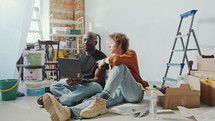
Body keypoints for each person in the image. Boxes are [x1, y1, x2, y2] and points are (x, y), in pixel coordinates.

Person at [42, 33, 149, 121]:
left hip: (134, 93)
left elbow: (117, 60)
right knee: (96, 100)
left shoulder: (131, 54)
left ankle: (99, 97)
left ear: (119, 44)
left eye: (111, 43)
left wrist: (104, 60)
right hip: (119, 92)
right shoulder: (109, 60)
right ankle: (68, 112)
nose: (109, 46)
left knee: (120, 68)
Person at [37, 32, 109, 107]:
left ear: (96, 43)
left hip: (92, 86)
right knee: (54, 85)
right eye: (84, 40)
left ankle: (59, 99)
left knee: (94, 85)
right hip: (80, 85)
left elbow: (97, 80)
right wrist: (72, 79)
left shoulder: (101, 57)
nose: (86, 42)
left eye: (90, 40)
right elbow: (76, 73)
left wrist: (83, 81)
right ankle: (77, 99)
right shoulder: (80, 55)